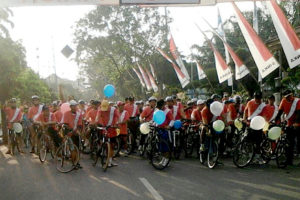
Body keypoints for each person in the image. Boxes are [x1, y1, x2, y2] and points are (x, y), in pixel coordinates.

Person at [275, 90, 300, 165]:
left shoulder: (297, 101)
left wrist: (296, 123)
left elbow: (299, 113)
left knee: (299, 142)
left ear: (292, 95)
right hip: (290, 124)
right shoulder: (283, 101)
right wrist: (275, 121)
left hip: (298, 123)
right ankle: (289, 160)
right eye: (287, 97)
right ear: (284, 97)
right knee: (289, 143)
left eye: (290, 96)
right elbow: (280, 112)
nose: (289, 98)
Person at [96, 100, 119, 167]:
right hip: (104, 128)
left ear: (109, 106)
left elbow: (118, 117)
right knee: (101, 141)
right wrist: (96, 122)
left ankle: (110, 161)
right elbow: (97, 117)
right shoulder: (100, 109)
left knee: (112, 146)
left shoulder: (113, 110)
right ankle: (100, 150)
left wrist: (117, 123)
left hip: (112, 129)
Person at [61, 100, 83, 169]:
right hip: (68, 132)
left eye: (76, 106)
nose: (75, 107)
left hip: (75, 132)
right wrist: (71, 131)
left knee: (78, 149)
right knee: (73, 149)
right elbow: (65, 124)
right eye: (73, 106)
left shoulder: (79, 114)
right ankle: (74, 163)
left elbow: (79, 125)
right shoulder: (66, 113)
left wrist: (78, 131)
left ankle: (77, 162)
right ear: (70, 107)